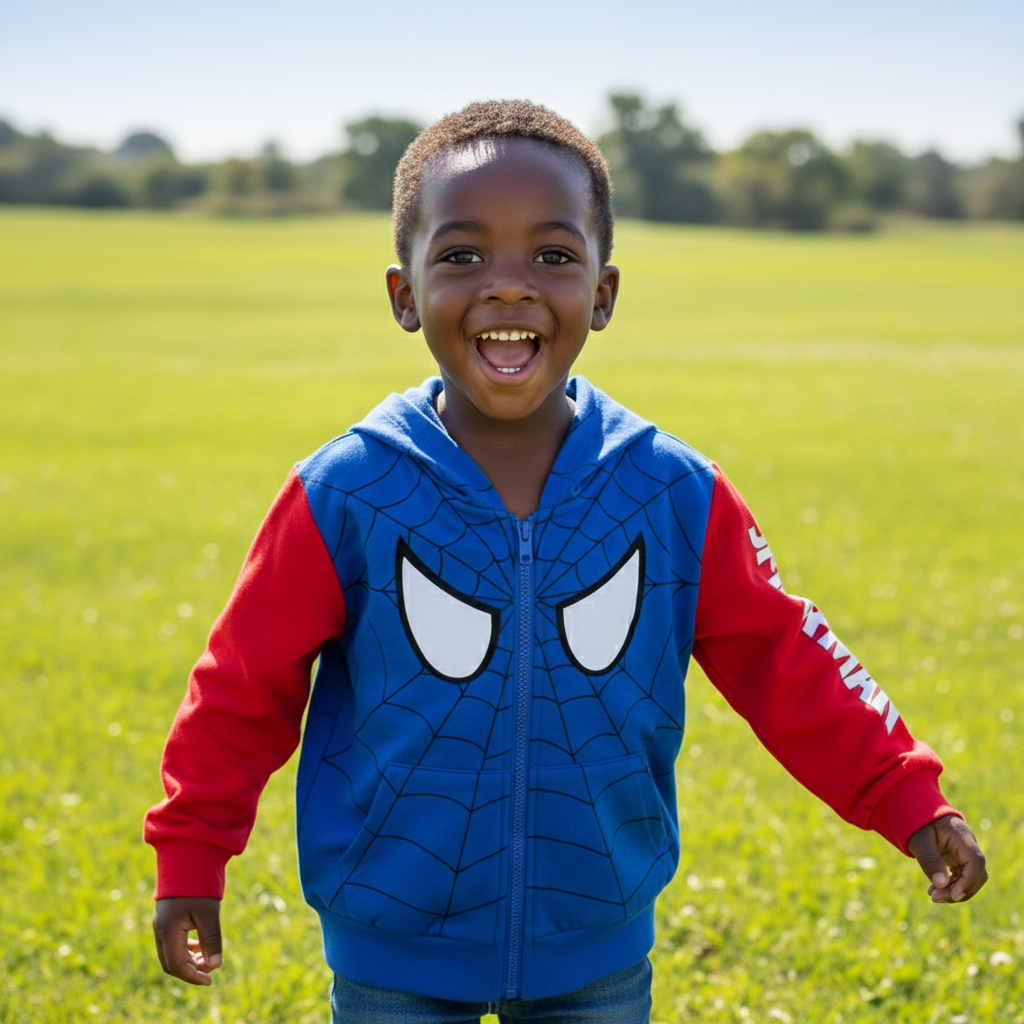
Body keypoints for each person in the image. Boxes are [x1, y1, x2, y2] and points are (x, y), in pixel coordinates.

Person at [145, 100, 987, 1023]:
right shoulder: (344, 490)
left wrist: (908, 794)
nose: (509, 287)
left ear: (604, 293)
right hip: (390, 947)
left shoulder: (670, 489)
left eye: (552, 256)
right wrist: (192, 854)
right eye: (462, 255)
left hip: (599, 946)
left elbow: (789, 658)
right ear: (402, 294)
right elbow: (240, 687)